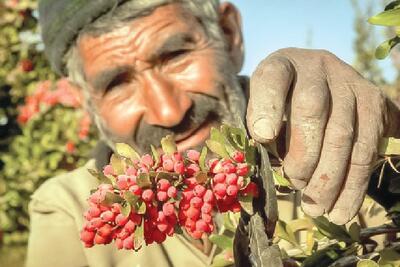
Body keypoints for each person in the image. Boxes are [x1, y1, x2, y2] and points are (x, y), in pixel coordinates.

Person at [27, 0, 400, 266]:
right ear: (84, 99)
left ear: (229, 33)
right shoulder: (66, 209)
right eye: (118, 84)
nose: (170, 111)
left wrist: (388, 131)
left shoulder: (331, 139)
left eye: (175, 56)